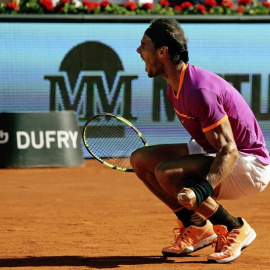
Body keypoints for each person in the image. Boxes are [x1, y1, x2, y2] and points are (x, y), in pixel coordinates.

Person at [131, 18, 270, 264]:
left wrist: (200, 190)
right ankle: (196, 227)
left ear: (163, 51)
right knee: (141, 160)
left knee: (167, 172)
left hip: (250, 165)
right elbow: (210, 145)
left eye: (144, 45)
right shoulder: (174, 86)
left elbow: (229, 150)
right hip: (216, 152)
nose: (139, 51)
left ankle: (234, 227)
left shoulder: (198, 91)